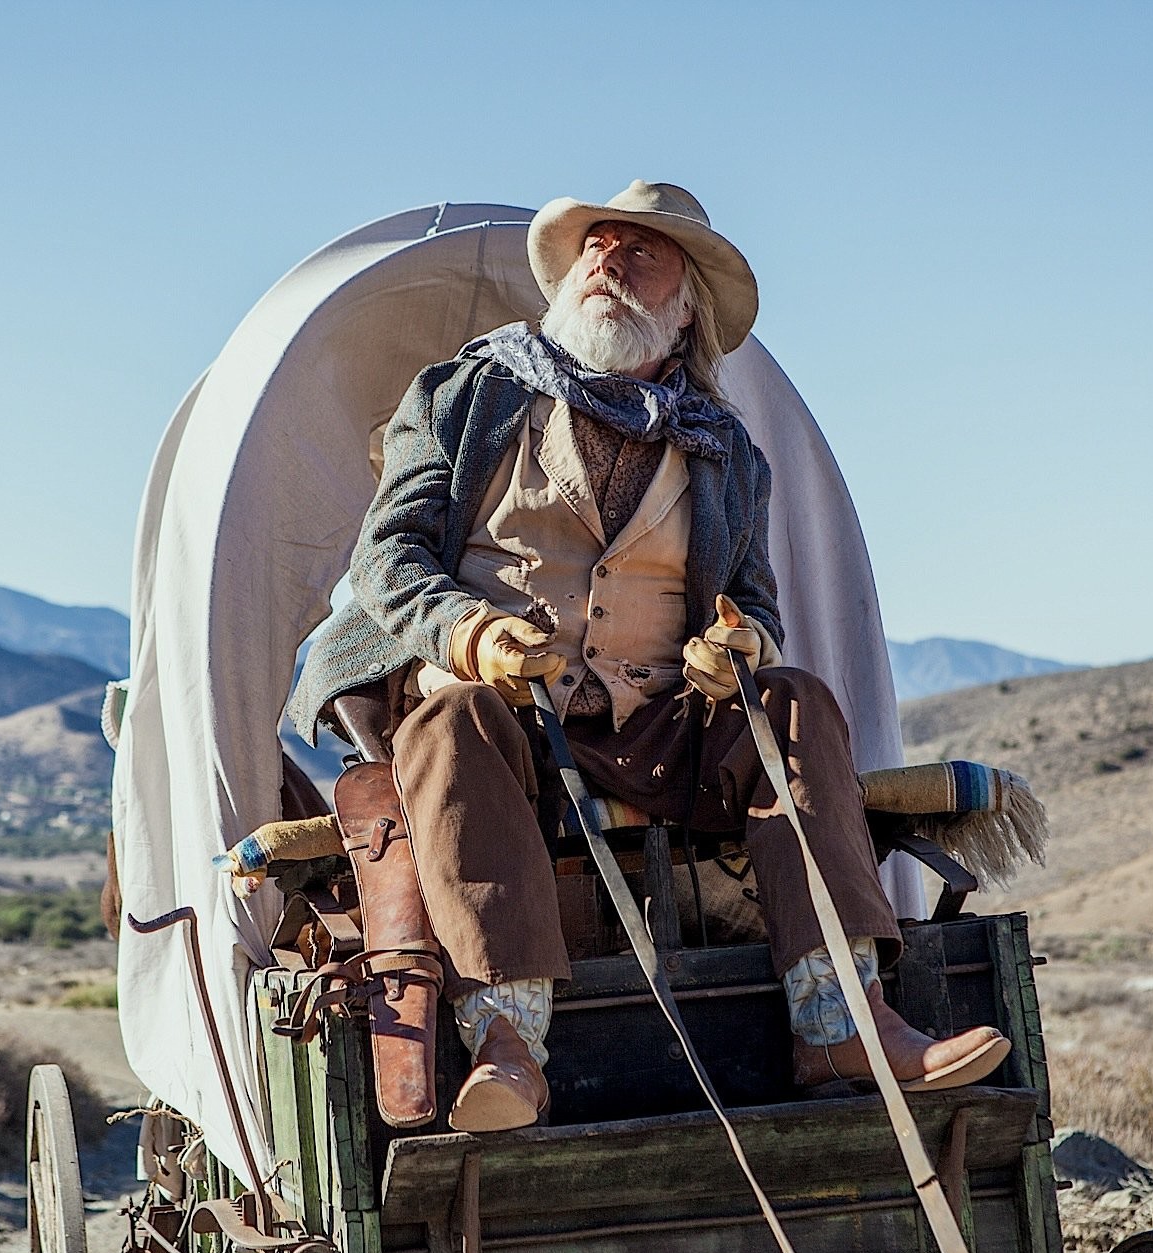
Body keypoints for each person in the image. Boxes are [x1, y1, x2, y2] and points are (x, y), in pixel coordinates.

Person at [289, 181, 1008, 1132]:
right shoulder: (466, 398)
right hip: (504, 729)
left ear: (683, 307)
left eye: (641, 253)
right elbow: (389, 558)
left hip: (661, 729)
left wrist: (738, 647)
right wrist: (471, 634)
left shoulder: (725, 454)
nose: (608, 263)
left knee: (789, 699)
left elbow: (751, 606)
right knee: (455, 716)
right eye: (597, 246)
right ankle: (509, 1047)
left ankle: (841, 1023)